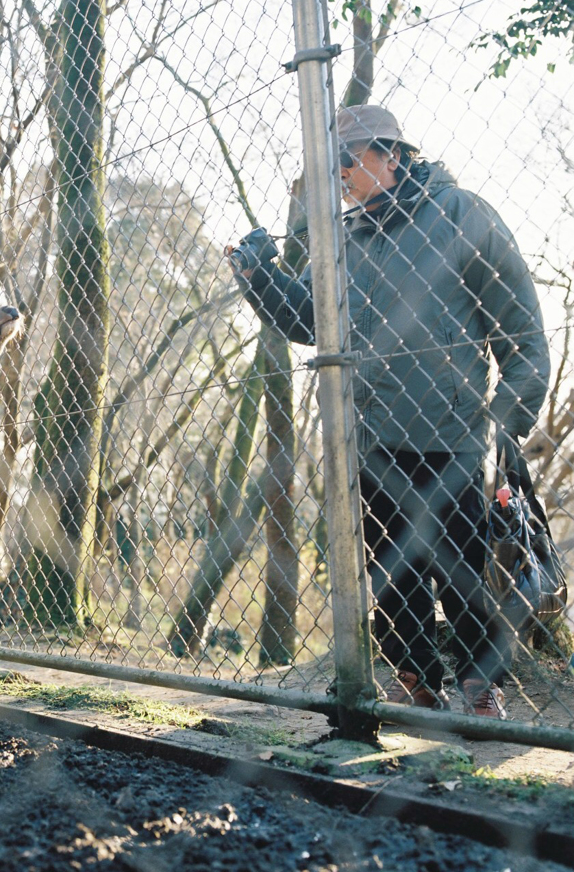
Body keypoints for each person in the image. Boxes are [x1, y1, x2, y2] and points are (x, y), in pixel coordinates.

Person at [227, 105, 550, 719]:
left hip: (450, 434)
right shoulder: (345, 237)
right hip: (369, 436)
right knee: (388, 568)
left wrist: (507, 426)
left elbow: (524, 335)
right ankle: (416, 679)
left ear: (392, 156)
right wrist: (261, 277)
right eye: (332, 167)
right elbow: (309, 319)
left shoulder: (463, 216)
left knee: (461, 572)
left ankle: (481, 691)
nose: (340, 175)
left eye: (349, 161)